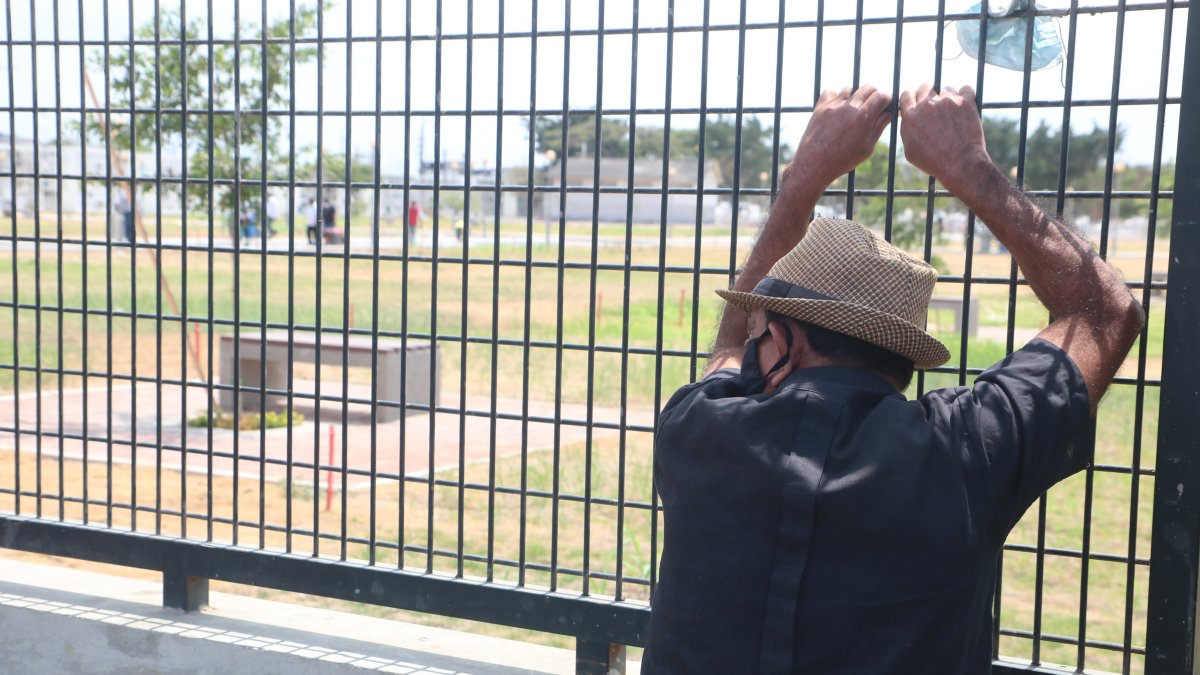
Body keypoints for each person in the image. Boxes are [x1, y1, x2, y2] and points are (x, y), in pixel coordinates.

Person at [643, 84, 1144, 673]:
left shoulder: (696, 428)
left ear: (784, 341)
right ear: (902, 358)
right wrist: (965, 164)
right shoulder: (966, 450)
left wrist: (802, 180)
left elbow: (730, 345)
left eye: (762, 335)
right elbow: (1104, 313)